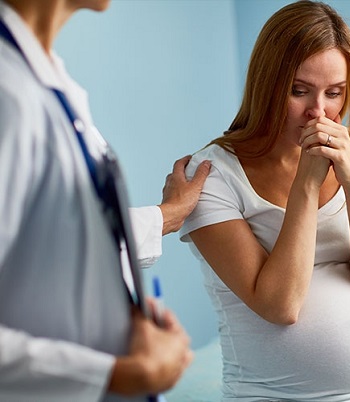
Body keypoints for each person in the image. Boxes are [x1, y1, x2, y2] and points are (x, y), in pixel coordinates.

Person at [180, 1, 350, 401]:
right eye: (299, 91)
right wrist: (306, 186)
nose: (319, 111)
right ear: (267, 83)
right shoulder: (212, 174)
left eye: (334, 93)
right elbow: (280, 306)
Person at [0, 0, 209, 400]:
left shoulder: (46, 83)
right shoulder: (9, 96)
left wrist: (167, 216)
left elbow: (55, 239)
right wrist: (114, 374)